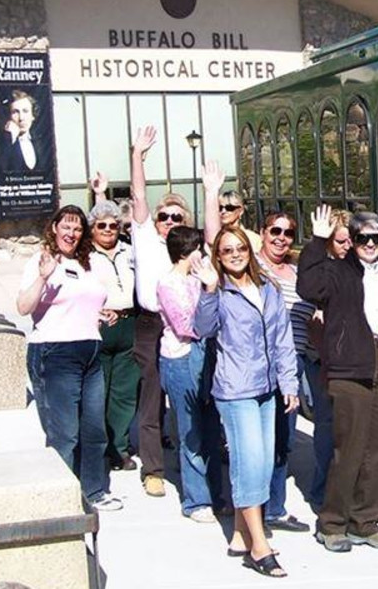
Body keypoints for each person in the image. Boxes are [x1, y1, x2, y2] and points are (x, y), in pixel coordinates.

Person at [298, 205, 378, 553]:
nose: (369, 243)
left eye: (376, 237)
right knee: (349, 448)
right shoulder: (338, 272)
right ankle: (332, 524)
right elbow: (309, 286)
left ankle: (366, 521)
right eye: (362, 237)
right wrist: (317, 241)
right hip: (350, 367)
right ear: (352, 240)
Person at [193, 227, 299, 578]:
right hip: (235, 390)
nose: (235, 254)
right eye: (227, 250)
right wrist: (208, 290)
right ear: (218, 257)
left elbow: (283, 337)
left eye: (240, 248)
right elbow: (204, 328)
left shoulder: (267, 287)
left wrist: (289, 382)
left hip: (267, 390)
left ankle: (239, 534)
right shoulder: (218, 291)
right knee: (249, 463)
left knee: (265, 463)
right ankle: (259, 546)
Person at [17, 205, 122, 511]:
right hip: (54, 352)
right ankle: (59, 500)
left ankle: (93, 491)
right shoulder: (41, 261)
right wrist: (42, 277)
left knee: (94, 429)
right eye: (66, 227)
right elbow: (24, 307)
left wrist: (104, 314)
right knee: (64, 434)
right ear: (54, 228)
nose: (71, 234)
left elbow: (83, 302)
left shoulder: (87, 264)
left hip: (89, 350)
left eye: (77, 229)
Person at [129, 125, 193, 497]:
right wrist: (137, 155)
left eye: (176, 218)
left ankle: (193, 465)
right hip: (152, 324)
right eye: (164, 217)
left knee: (187, 397)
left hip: (183, 327)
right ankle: (153, 469)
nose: (170, 222)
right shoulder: (145, 238)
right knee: (151, 397)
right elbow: (138, 194)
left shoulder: (188, 246)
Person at [157, 226, 224, 523]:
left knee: (212, 429)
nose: (204, 254)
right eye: (199, 248)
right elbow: (187, 326)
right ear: (187, 251)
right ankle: (196, 500)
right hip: (181, 358)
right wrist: (209, 298)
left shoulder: (204, 279)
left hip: (209, 357)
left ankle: (217, 495)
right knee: (191, 431)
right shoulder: (168, 283)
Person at [254, 211, 314, 534]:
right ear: (262, 233)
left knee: (283, 440)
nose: (281, 237)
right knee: (257, 441)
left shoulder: (297, 272)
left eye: (288, 232)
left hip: (294, 365)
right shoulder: (251, 268)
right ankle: (252, 510)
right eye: (275, 230)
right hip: (261, 366)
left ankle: (275, 507)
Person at [304, 208, 351, 512]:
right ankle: (322, 491)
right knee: (327, 425)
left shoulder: (359, 268)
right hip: (321, 358)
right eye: (342, 241)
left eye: (351, 240)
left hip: (351, 358)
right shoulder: (318, 267)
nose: (348, 246)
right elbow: (309, 289)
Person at [88, 199, 139, 472]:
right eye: (101, 225)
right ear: (92, 229)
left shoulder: (130, 251)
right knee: (99, 391)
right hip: (101, 326)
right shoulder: (85, 257)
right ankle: (98, 449)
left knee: (124, 392)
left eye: (113, 225)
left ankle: (119, 448)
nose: (108, 229)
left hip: (129, 323)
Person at [201, 160, 262, 253]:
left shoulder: (254, 239)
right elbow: (212, 240)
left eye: (230, 208)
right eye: (220, 208)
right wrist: (211, 192)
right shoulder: (215, 236)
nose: (223, 211)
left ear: (240, 211)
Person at [0, 90, 54, 174]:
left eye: (25, 111)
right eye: (15, 112)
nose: (21, 118)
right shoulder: (1, 143)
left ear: (32, 115)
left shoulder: (41, 142)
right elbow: (0, 170)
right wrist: (9, 139)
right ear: (9, 116)